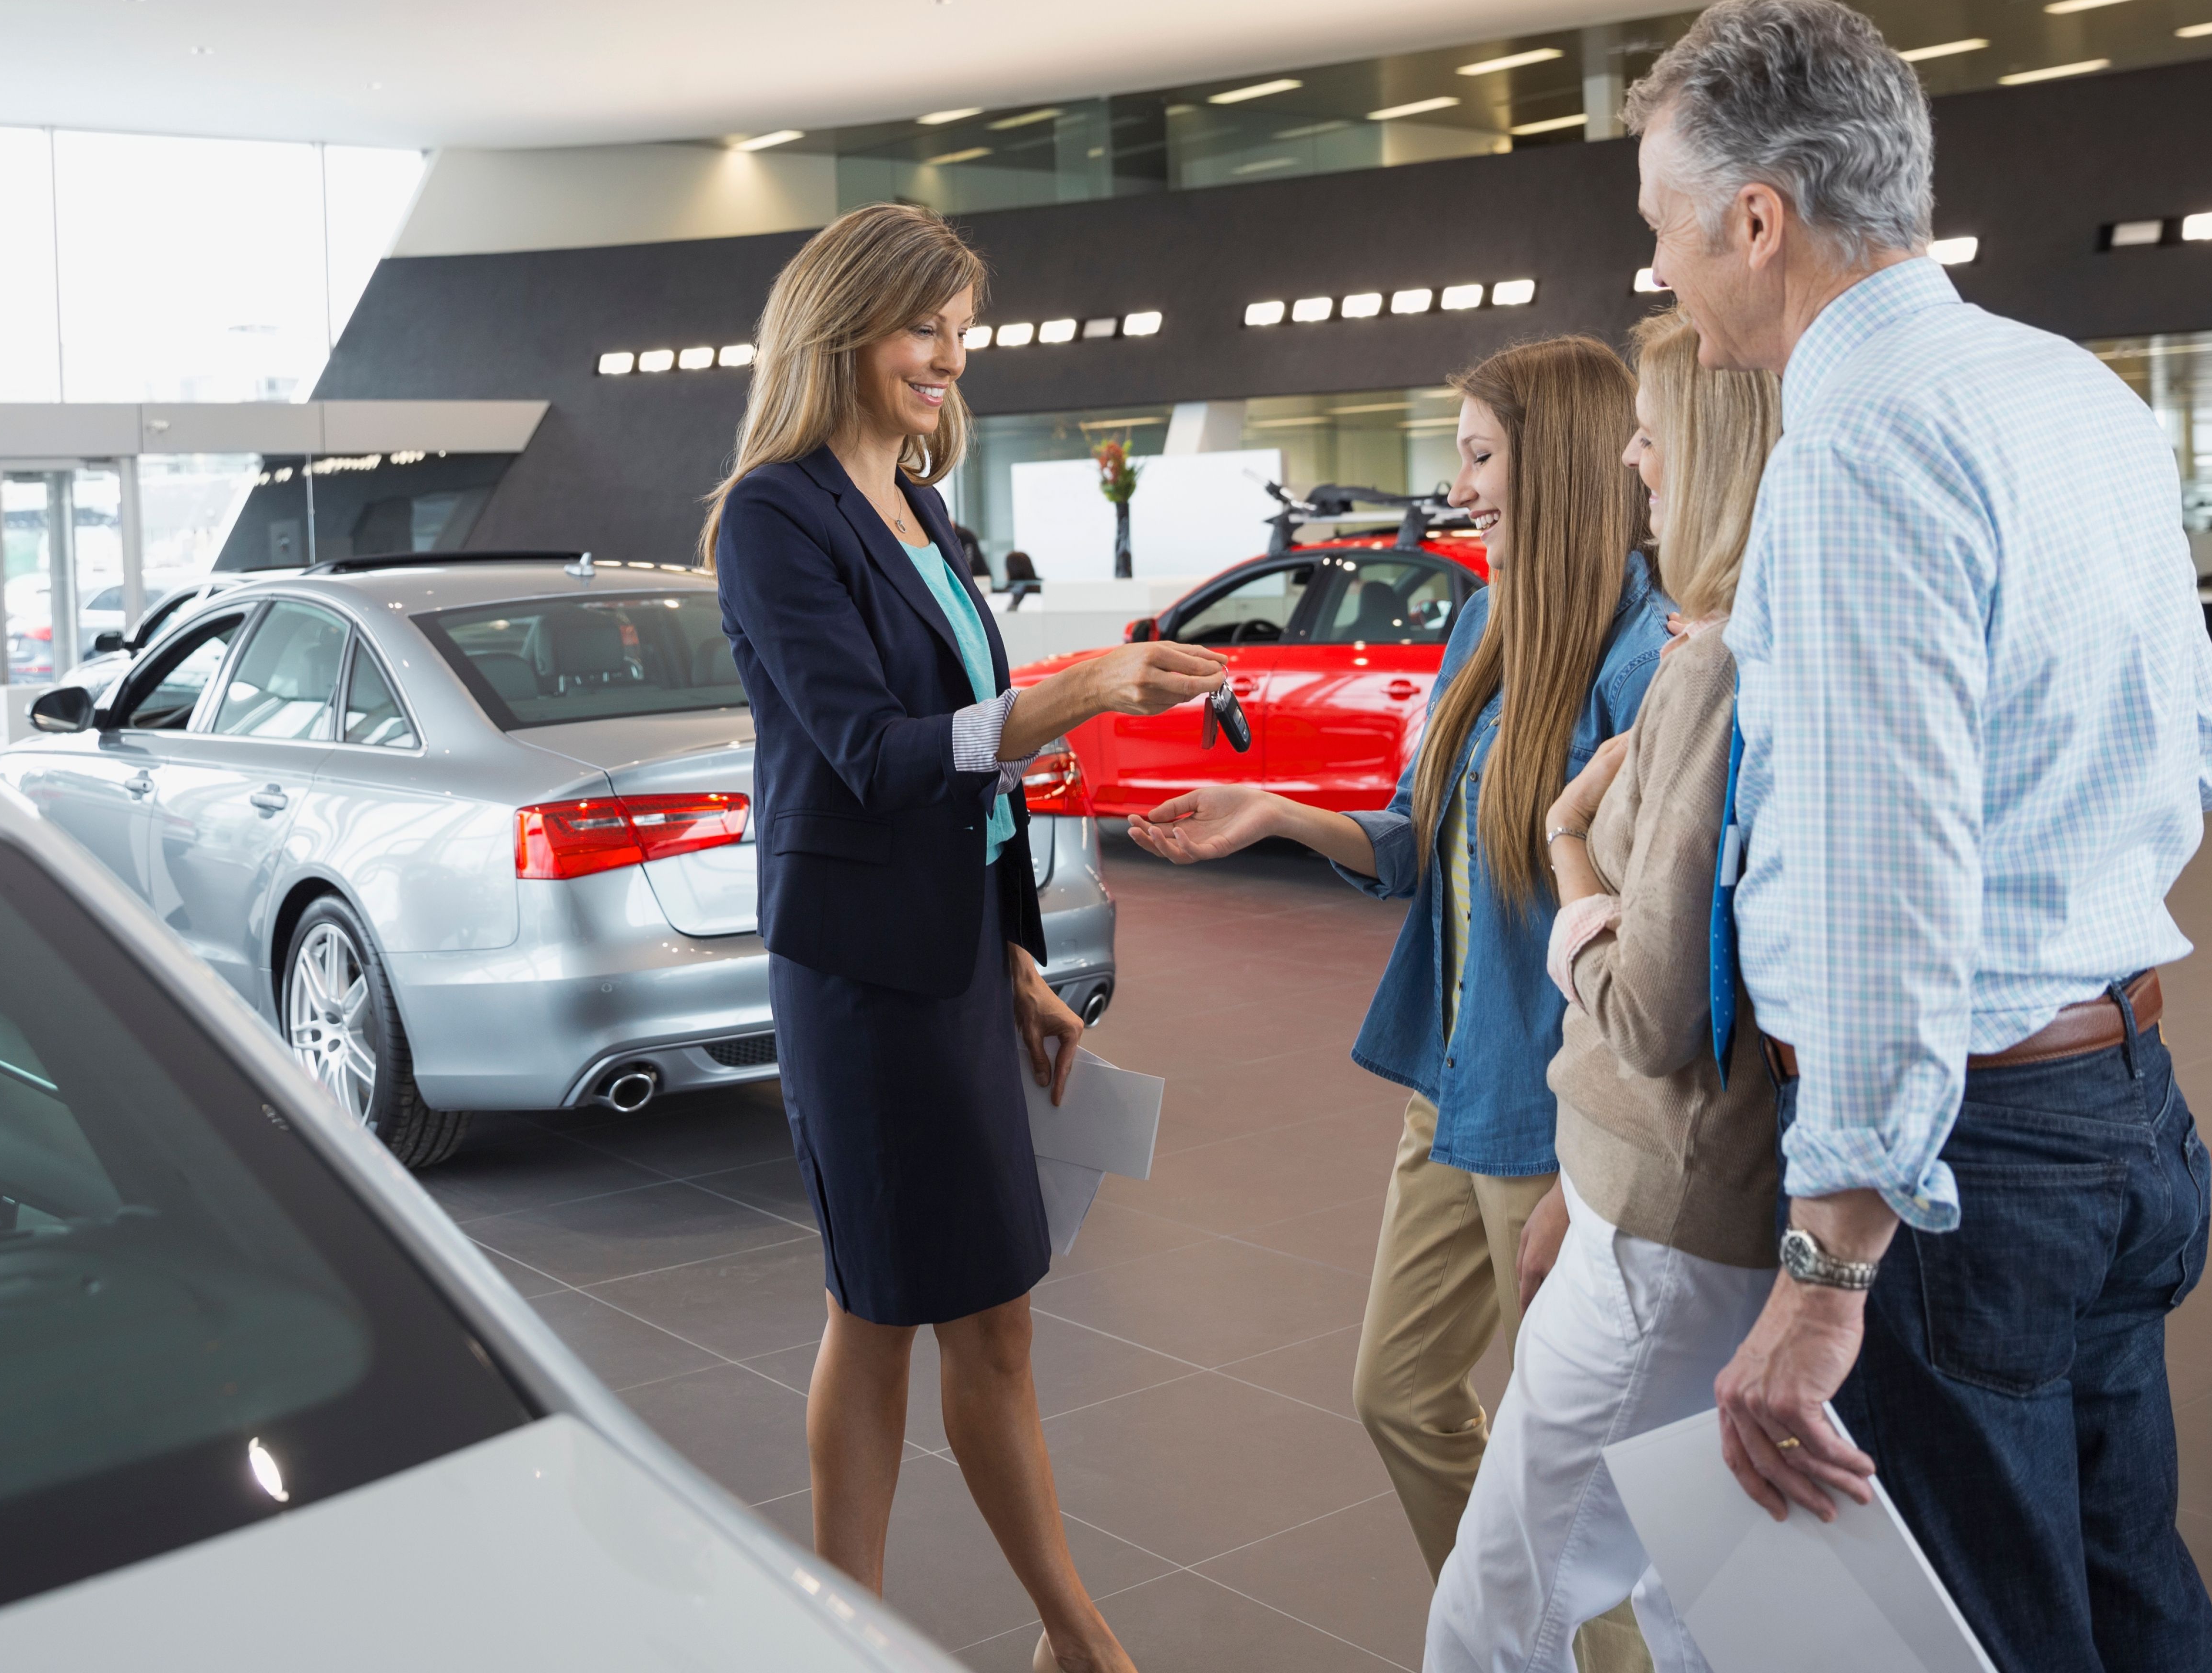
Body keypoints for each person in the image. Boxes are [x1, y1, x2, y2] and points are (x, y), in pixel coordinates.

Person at [1623, 0, 2212, 1672]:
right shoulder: (2075, 394)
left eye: (1664, 237)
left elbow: (1880, 895)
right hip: (2123, 1104)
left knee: (1985, 1630)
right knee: (2133, 1590)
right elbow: (2209, 742)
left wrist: (1827, 1273)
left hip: (1968, 1162)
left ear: (1758, 222)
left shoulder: (1854, 448)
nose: (1665, 282)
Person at [706, 203, 1228, 1673]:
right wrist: (1085, 690)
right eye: (923, 325)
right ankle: (956, 1635)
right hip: (861, 979)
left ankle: (1061, 1636)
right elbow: (876, 754)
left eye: (958, 327)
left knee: (990, 1318)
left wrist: (1012, 963)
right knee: (883, 1310)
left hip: (948, 961)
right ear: (844, 329)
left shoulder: (920, 508)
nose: (949, 355)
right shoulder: (774, 514)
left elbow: (964, 780)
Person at [1126, 335, 1668, 1671]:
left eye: (1481, 454)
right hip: (1453, 1082)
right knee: (1400, 1395)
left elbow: (1652, 938)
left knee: (1574, 1482)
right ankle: (1505, 1639)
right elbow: (1421, 842)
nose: (1458, 484)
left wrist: (1593, 1166)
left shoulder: (1651, 649)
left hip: (1556, 1116)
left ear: (1560, 462)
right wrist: (1272, 812)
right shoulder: (1486, 621)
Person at [1422, 309, 1784, 1673]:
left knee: (1497, 1612)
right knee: (1701, 1589)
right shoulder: (1756, 643)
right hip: (1673, 1189)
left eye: (1657, 434)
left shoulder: (1698, 664)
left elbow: (1654, 1008)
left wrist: (1575, 843)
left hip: (1659, 1202)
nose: (1639, 462)